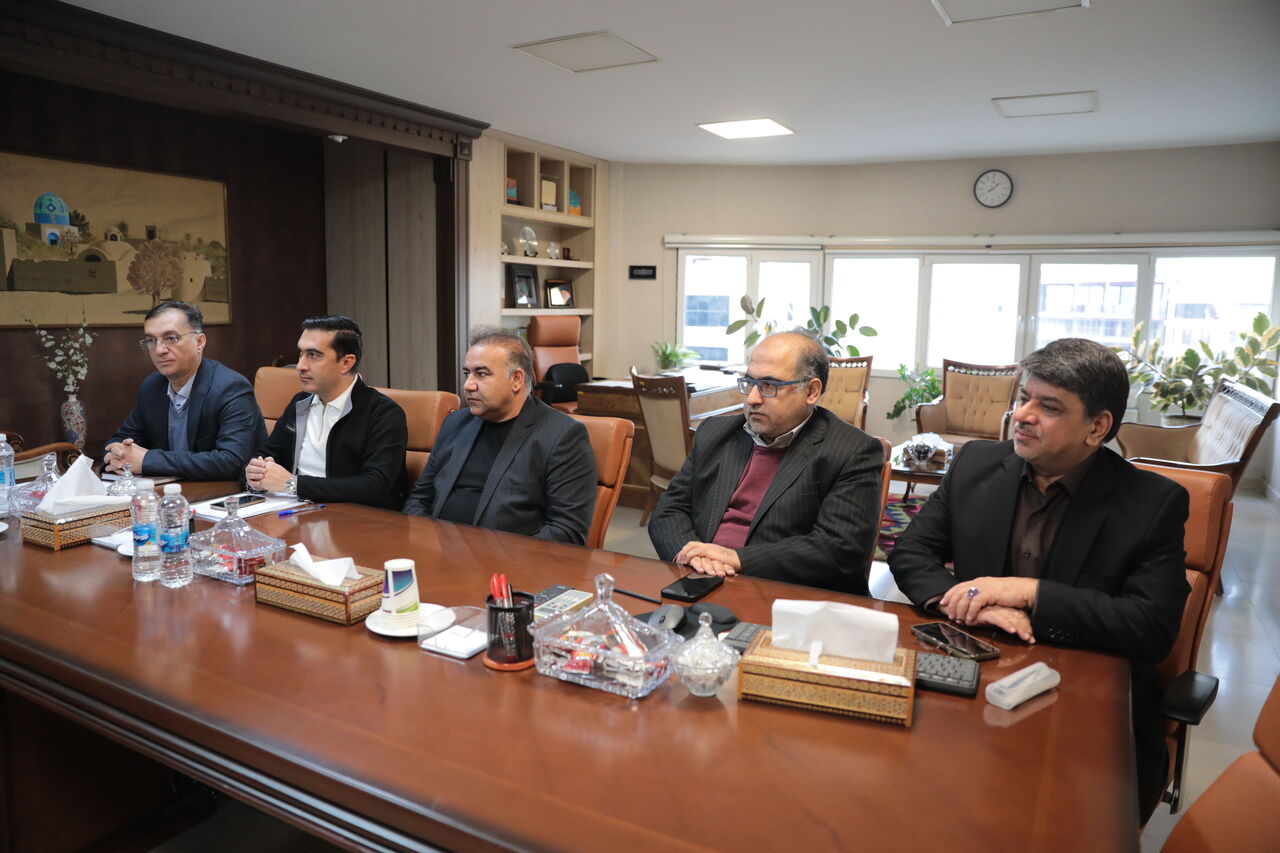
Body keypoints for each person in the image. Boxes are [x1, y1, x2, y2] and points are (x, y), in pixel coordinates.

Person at [888, 337, 1190, 823]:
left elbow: (1151, 626)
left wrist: (1027, 592)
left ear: (1097, 426)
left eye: (1049, 407)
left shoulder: (1151, 503)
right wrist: (971, 601)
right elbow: (910, 551)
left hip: (1084, 705)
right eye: (1024, 397)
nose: (1023, 415)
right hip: (973, 671)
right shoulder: (976, 465)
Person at [648, 331, 885, 595]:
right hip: (699, 581)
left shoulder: (852, 451)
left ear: (811, 391)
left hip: (789, 598)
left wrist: (737, 559)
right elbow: (669, 510)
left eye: (769, 385)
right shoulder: (715, 433)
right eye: (749, 382)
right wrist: (693, 556)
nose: (752, 398)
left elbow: (840, 548)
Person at [403, 327, 596, 544]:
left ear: (516, 379)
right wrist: (422, 544)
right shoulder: (455, 423)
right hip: (438, 552)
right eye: (467, 374)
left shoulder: (561, 435)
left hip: (508, 561)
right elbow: (421, 498)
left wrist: (496, 559)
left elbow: (567, 530)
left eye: (482, 374)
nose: (468, 385)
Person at [245, 316, 407, 509]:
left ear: (346, 363)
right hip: (293, 511)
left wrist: (293, 485)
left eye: (313, 355)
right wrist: (254, 473)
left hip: (353, 518)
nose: (300, 366)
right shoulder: (300, 403)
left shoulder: (384, 413)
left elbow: (374, 486)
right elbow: (266, 454)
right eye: (301, 354)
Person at [105, 300, 265, 481]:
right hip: (170, 490)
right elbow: (119, 440)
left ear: (199, 342)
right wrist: (117, 455)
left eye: (171, 338)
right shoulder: (152, 387)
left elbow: (232, 461)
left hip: (223, 491)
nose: (159, 350)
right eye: (151, 340)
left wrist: (148, 460)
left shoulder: (230, 388)